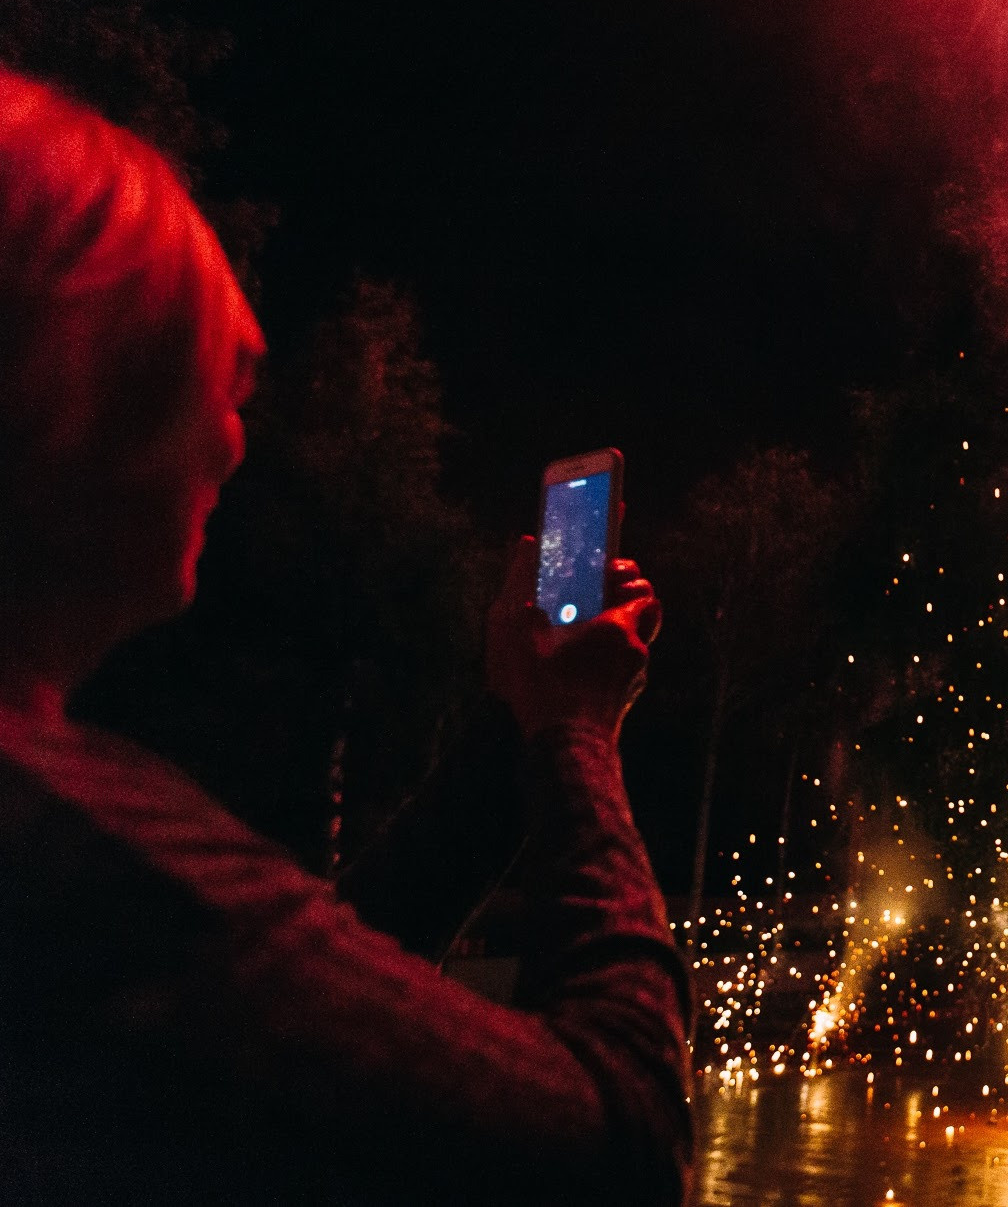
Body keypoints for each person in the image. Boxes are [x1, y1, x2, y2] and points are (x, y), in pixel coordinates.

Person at [0, 70, 694, 1202]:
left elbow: (332, 976)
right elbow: (618, 1141)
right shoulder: (86, 858)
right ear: (66, 390)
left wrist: (514, 717)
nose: (231, 449)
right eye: (204, 386)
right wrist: (577, 736)